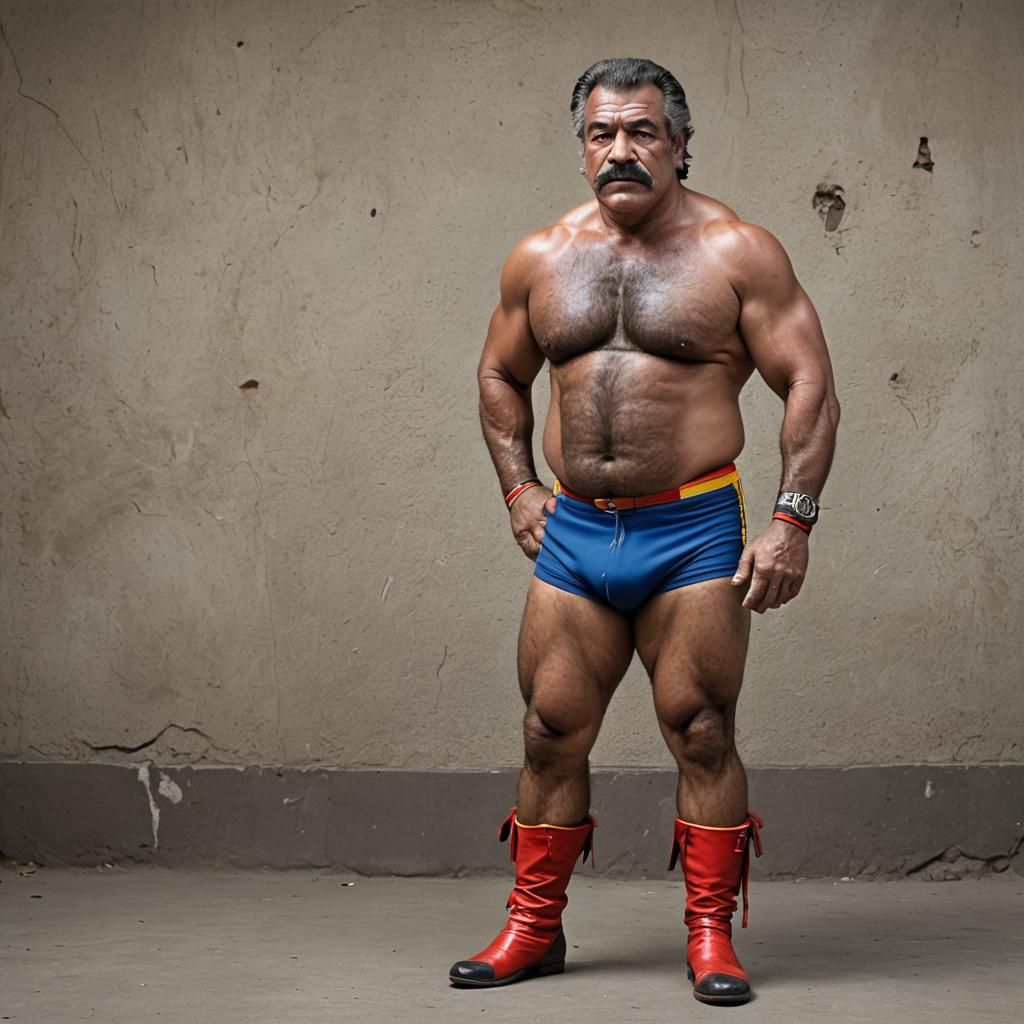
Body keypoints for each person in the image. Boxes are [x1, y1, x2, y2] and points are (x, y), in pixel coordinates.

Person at [449, 58, 840, 1005]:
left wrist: (791, 520)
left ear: (678, 142)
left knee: (701, 728)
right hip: (577, 531)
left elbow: (811, 383)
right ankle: (533, 930)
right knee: (549, 731)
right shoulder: (540, 257)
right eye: (602, 134)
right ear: (582, 147)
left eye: (642, 133)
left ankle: (711, 937)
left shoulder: (737, 251)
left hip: (693, 529)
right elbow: (499, 375)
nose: (620, 151)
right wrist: (518, 489)